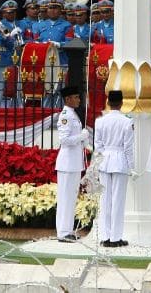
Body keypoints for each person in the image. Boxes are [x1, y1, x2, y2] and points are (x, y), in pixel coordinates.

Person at [94, 90, 134, 247]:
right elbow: (128, 147)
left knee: (105, 200)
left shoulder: (100, 121)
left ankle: (105, 236)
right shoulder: (127, 121)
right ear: (122, 103)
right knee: (118, 200)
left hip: (105, 160)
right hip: (119, 161)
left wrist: (99, 162)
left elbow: (98, 145)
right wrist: (132, 167)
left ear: (108, 103)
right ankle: (115, 237)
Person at [55, 86, 90, 242]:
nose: (79, 100)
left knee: (70, 198)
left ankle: (67, 230)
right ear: (68, 99)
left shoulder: (72, 114)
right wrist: (81, 136)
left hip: (74, 163)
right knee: (65, 198)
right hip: (67, 163)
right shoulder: (66, 116)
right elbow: (64, 140)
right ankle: (62, 232)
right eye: (76, 97)